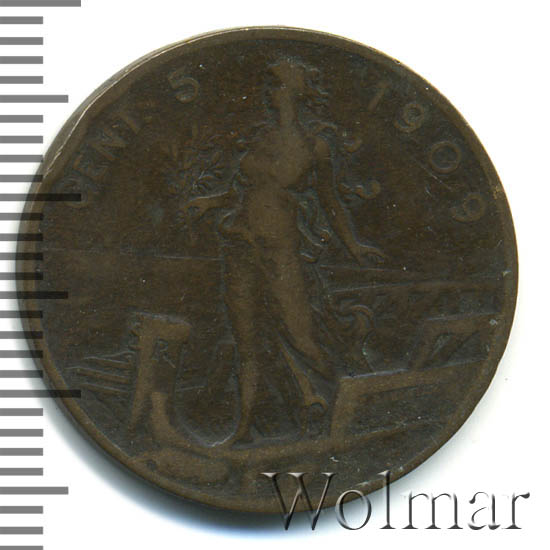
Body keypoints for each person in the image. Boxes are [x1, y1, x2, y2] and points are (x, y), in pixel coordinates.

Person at [181, 59, 384, 446]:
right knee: (246, 342)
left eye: (276, 84)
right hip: (240, 246)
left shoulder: (314, 147)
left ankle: (362, 399)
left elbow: (331, 202)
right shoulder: (260, 138)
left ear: (296, 90)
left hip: (281, 254)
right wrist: (209, 201)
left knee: (302, 338)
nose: (268, 92)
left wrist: (353, 245)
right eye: (268, 84)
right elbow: (240, 191)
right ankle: (243, 429)